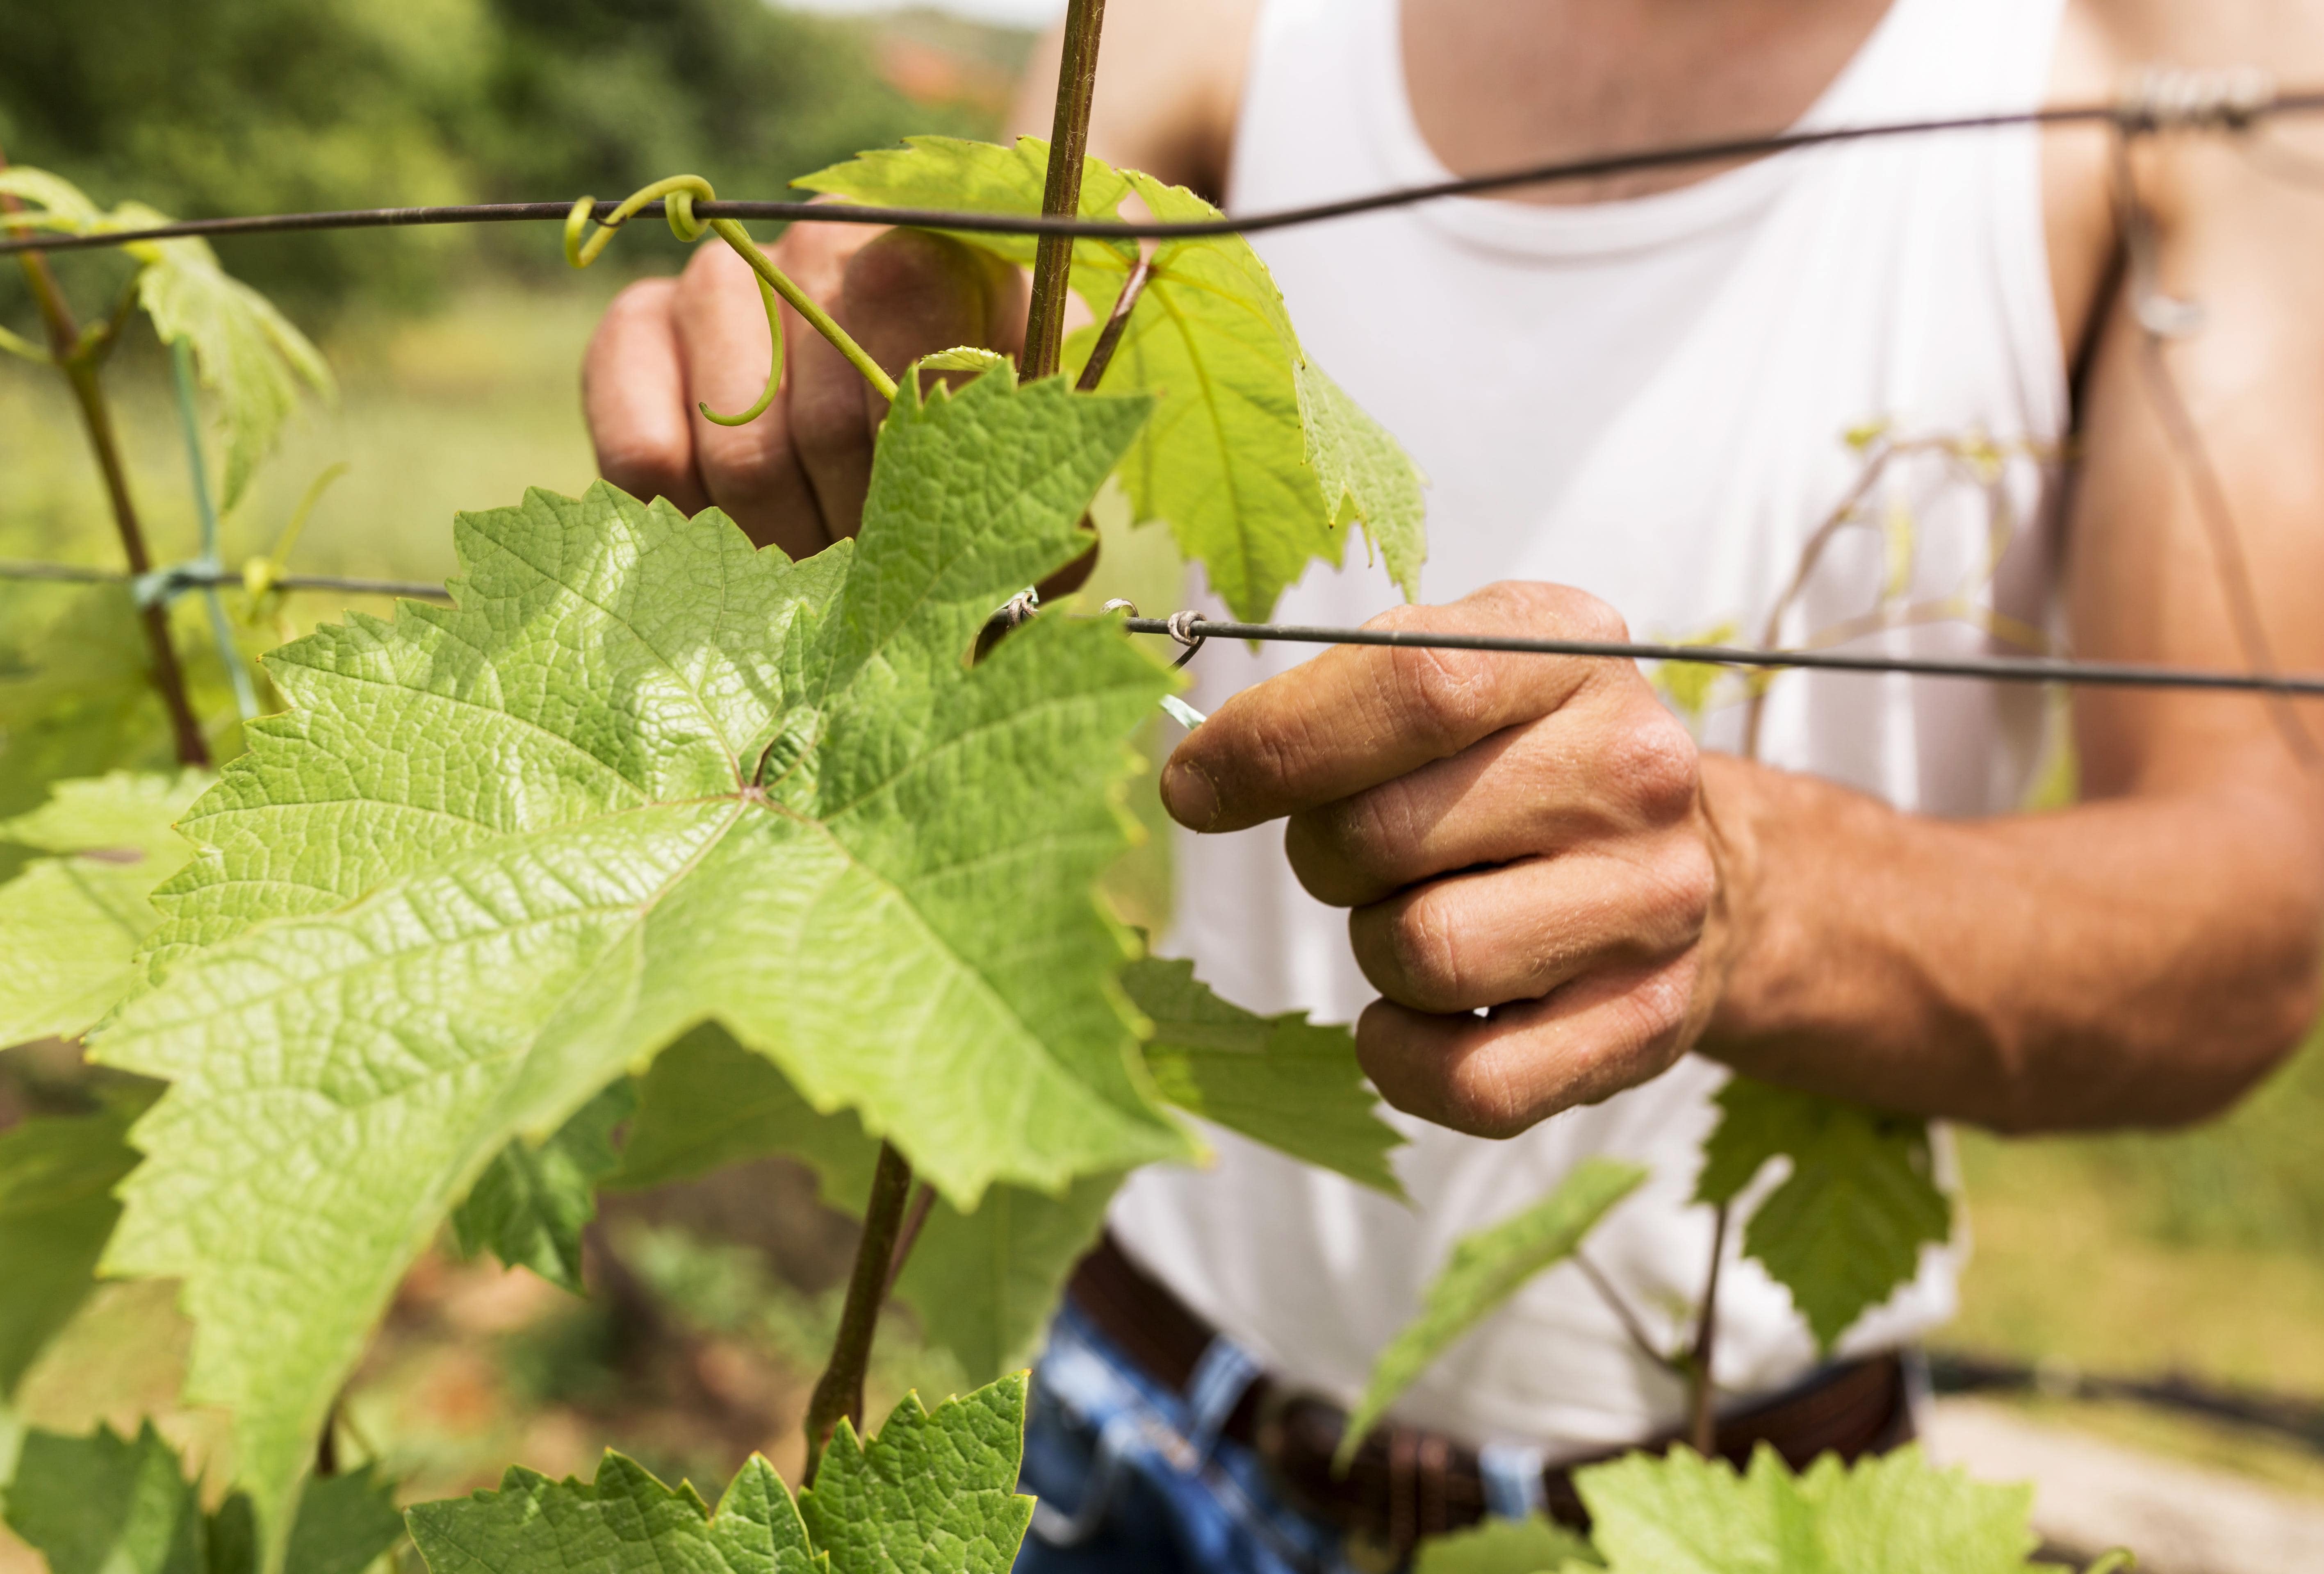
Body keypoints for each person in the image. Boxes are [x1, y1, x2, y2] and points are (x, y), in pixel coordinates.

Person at [582, 0, 2324, 1567]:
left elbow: (2263, 916)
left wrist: (1753, 891)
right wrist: (840, 351)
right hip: (1133, 1434)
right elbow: (978, 364)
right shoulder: (1212, 24)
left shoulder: (2175, 77)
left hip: (1728, 1508)